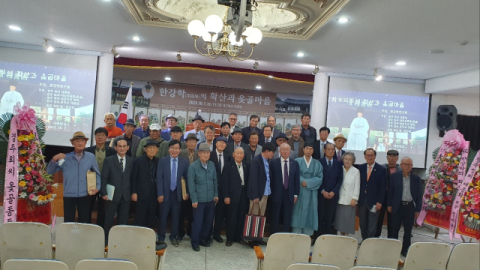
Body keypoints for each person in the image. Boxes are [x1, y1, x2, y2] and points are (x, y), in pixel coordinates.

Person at [47, 131, 101, 223]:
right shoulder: (65, 158)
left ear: (85, 143)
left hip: (85, 194)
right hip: (69, 194)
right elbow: (49, 171)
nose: (80, 143)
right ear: (72, 143)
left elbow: (97, 173)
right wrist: (54, 159)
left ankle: (83, 237)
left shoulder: (91, 157)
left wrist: (98, 187)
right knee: (68, 220)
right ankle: (68, 237)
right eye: (77, 141)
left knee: (84, 220)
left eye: (82, 141)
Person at [157, 140, 189, 247]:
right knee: (163, 216)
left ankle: (173, 236)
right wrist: (160, 193)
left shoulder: (184, 162)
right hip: (165, 193)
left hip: (177, 194)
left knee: (176, 217)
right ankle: (161, 237)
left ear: (180, 150)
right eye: (172, 148)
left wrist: (186, 193)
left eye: (177, 148)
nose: (174, 150)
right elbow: (159, 179)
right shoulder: (162, 161)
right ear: (169, 149)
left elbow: (186, 179)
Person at [388, 157, 422, 257]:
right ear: (401, 165)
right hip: (397, 206)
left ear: (412, 166)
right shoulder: (395, 176)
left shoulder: (416, 178)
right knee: (394, 230)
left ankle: (405, 249)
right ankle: (394, 249)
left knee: (408, 231)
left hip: (410, 207)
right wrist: (389, 204)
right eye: (405, 164)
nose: (407, 166)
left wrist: (417, 210)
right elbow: (390, 192)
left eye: (409, 165)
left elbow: (419, 196)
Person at [101, 139, 133, 242]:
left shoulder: (131, 161)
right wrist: (104, 193)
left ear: (128, 147)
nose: (122, 148)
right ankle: (106, 239)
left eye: (124, 146)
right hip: (111, 194)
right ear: (115, 148)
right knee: (109, 218)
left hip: (126, 195)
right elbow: (104, 177)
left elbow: (132, 178)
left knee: (123, 219)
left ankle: (120, 239)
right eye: (120, 146)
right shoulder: (109, 160)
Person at [188, 143, 219, 252]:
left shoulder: (211, 165)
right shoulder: (193, 166)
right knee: (197, 222)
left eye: (208, 153)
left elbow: (215, 181)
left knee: (208, 221)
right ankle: (195, 242)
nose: (206, 155)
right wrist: (194, 199)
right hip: (199, 200)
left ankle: (203, 239)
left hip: (210, 199)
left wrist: (216, 194)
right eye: (204, 153)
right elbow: (191, 185)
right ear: (199, 154)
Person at [85, 127, 116, 226]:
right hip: (91, 183)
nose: (100, 137)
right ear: (95, 137)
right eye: (98, 135)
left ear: (106, 137)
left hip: (106, 183)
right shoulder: (88, 151)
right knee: (88, 206)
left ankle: (100, 228)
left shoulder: (112, 152)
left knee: (103, 208)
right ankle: (88, 227)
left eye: (102, 135)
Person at [247, 142, 275, 246]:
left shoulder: (267, 160)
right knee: (254, 216)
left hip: (265, 193)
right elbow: (253, 179)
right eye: (272, 152)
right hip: (257, 195)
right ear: (267, 151)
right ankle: (251, 239)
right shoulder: (256, 161)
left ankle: (258, 238)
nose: (273, 154)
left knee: (261, 217)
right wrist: (255, 196)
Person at [291, 143, 323, 236]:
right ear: (303, 150)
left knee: (310, 211)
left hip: (311, 192)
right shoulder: (297, 161)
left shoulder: (317, 163)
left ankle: (308, 234)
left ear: (313, 151)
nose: (308, 150)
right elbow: (293, 174)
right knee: (297, 211)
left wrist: (307, 183)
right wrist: (302, 181)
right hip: (299, 191)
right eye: (307, 148)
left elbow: (320, 178)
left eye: (311, 149)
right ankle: (296, 233)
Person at [270, 143, 300, 233]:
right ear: (279, 151)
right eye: (283, 149)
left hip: (289, 193)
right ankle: (273, 235)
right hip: (276, 193)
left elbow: (296, 180)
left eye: (287, 150)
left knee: (287, 216)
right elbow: (271, 179)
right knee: (275, 215)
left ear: (290, 151)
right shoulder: (273, 163)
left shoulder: (295, 163)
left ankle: (286, 235)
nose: (285, 151)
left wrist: (296, 194)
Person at [358, 148, 387, 241]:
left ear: (375, 156)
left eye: (371, 155)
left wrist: (380, 201)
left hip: (375, 201)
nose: (369, 157)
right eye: (367, 155)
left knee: (372, 223)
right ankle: (364, 239)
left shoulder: (381, 169)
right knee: (363, 222)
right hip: (362, 200)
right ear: (364, 157)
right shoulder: (360, 168)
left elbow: (383, 188)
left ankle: (369, 241)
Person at [223, 147, 250, 246]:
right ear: (233, 154)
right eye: (237, 153)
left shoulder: (247, 165)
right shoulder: (228, 166)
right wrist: (226, 196)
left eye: (241, 154)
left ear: (244, 155)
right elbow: (224, 182)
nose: (239, 155)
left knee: (241, 217)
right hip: (232, 195)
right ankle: (229, 238)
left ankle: (238, 237)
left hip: (243, 194)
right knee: (231, 217)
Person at [131, 140, 159, 229]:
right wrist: (134, 192)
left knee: (151, 215)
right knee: (140, 215)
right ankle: (137, 234)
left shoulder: (158, 161)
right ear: (145, 149)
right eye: (150, 148)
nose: (152, 150)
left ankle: (148, 236)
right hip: (141, 193)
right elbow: (133, 177)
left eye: (154, 148)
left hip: (154, 194)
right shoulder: (138, 160)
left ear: (157, 150)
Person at [316, 143, 343, 236]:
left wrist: (333, 192)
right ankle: (318, 237)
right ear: (324, 150)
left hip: (333, 196)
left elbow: (340, 179)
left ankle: (327, 238)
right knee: (320, 216)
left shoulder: (338, 163)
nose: (331, 151)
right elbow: (317, 178)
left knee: (330, 217)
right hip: (321, 194)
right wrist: (322, 190)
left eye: (333, 149)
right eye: (329, 149)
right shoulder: (319, 162)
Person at [177, 134, 199, 241]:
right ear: (186, 142)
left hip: (195, 185)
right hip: (183, 184)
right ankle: (180, 232)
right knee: (181, 211)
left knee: (192, 212)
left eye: (193, 142)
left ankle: (190, 231)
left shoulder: (198, 154)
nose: (191, 143)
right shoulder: (181, 153)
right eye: (189, 141)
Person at [377, 149, 402, 238]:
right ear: (387, 158)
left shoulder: (401, 170)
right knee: (378, 219)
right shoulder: (381, 168)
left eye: (394, 157)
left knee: (392, 219)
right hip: (382, 196)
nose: (392, 159)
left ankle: (391, 239)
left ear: (397, 158)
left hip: (394, 198)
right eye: (390, 157)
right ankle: (376, 237)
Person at [209, 137, 229, 243]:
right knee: (209, 213)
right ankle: (208, 234)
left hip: (222, 190)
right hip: (211, 188)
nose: (222, 144)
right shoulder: (210, 155)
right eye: (219, 142)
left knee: (219, 213)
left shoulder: (228, 157)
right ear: (215, 144)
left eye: (224, 143)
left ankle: (216, 234)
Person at [335, 152, 360, 236]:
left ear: (353, 161)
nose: (347, 161)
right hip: (340, 198)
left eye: (350, 160)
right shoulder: (339, 168)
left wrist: (354, 198)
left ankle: (346, 237)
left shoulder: (356, 171)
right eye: (346, 159)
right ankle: (341, 236)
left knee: (348, 220)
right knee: (340, 220)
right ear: (342, 160)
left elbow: (357, 186)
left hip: (350, 199)